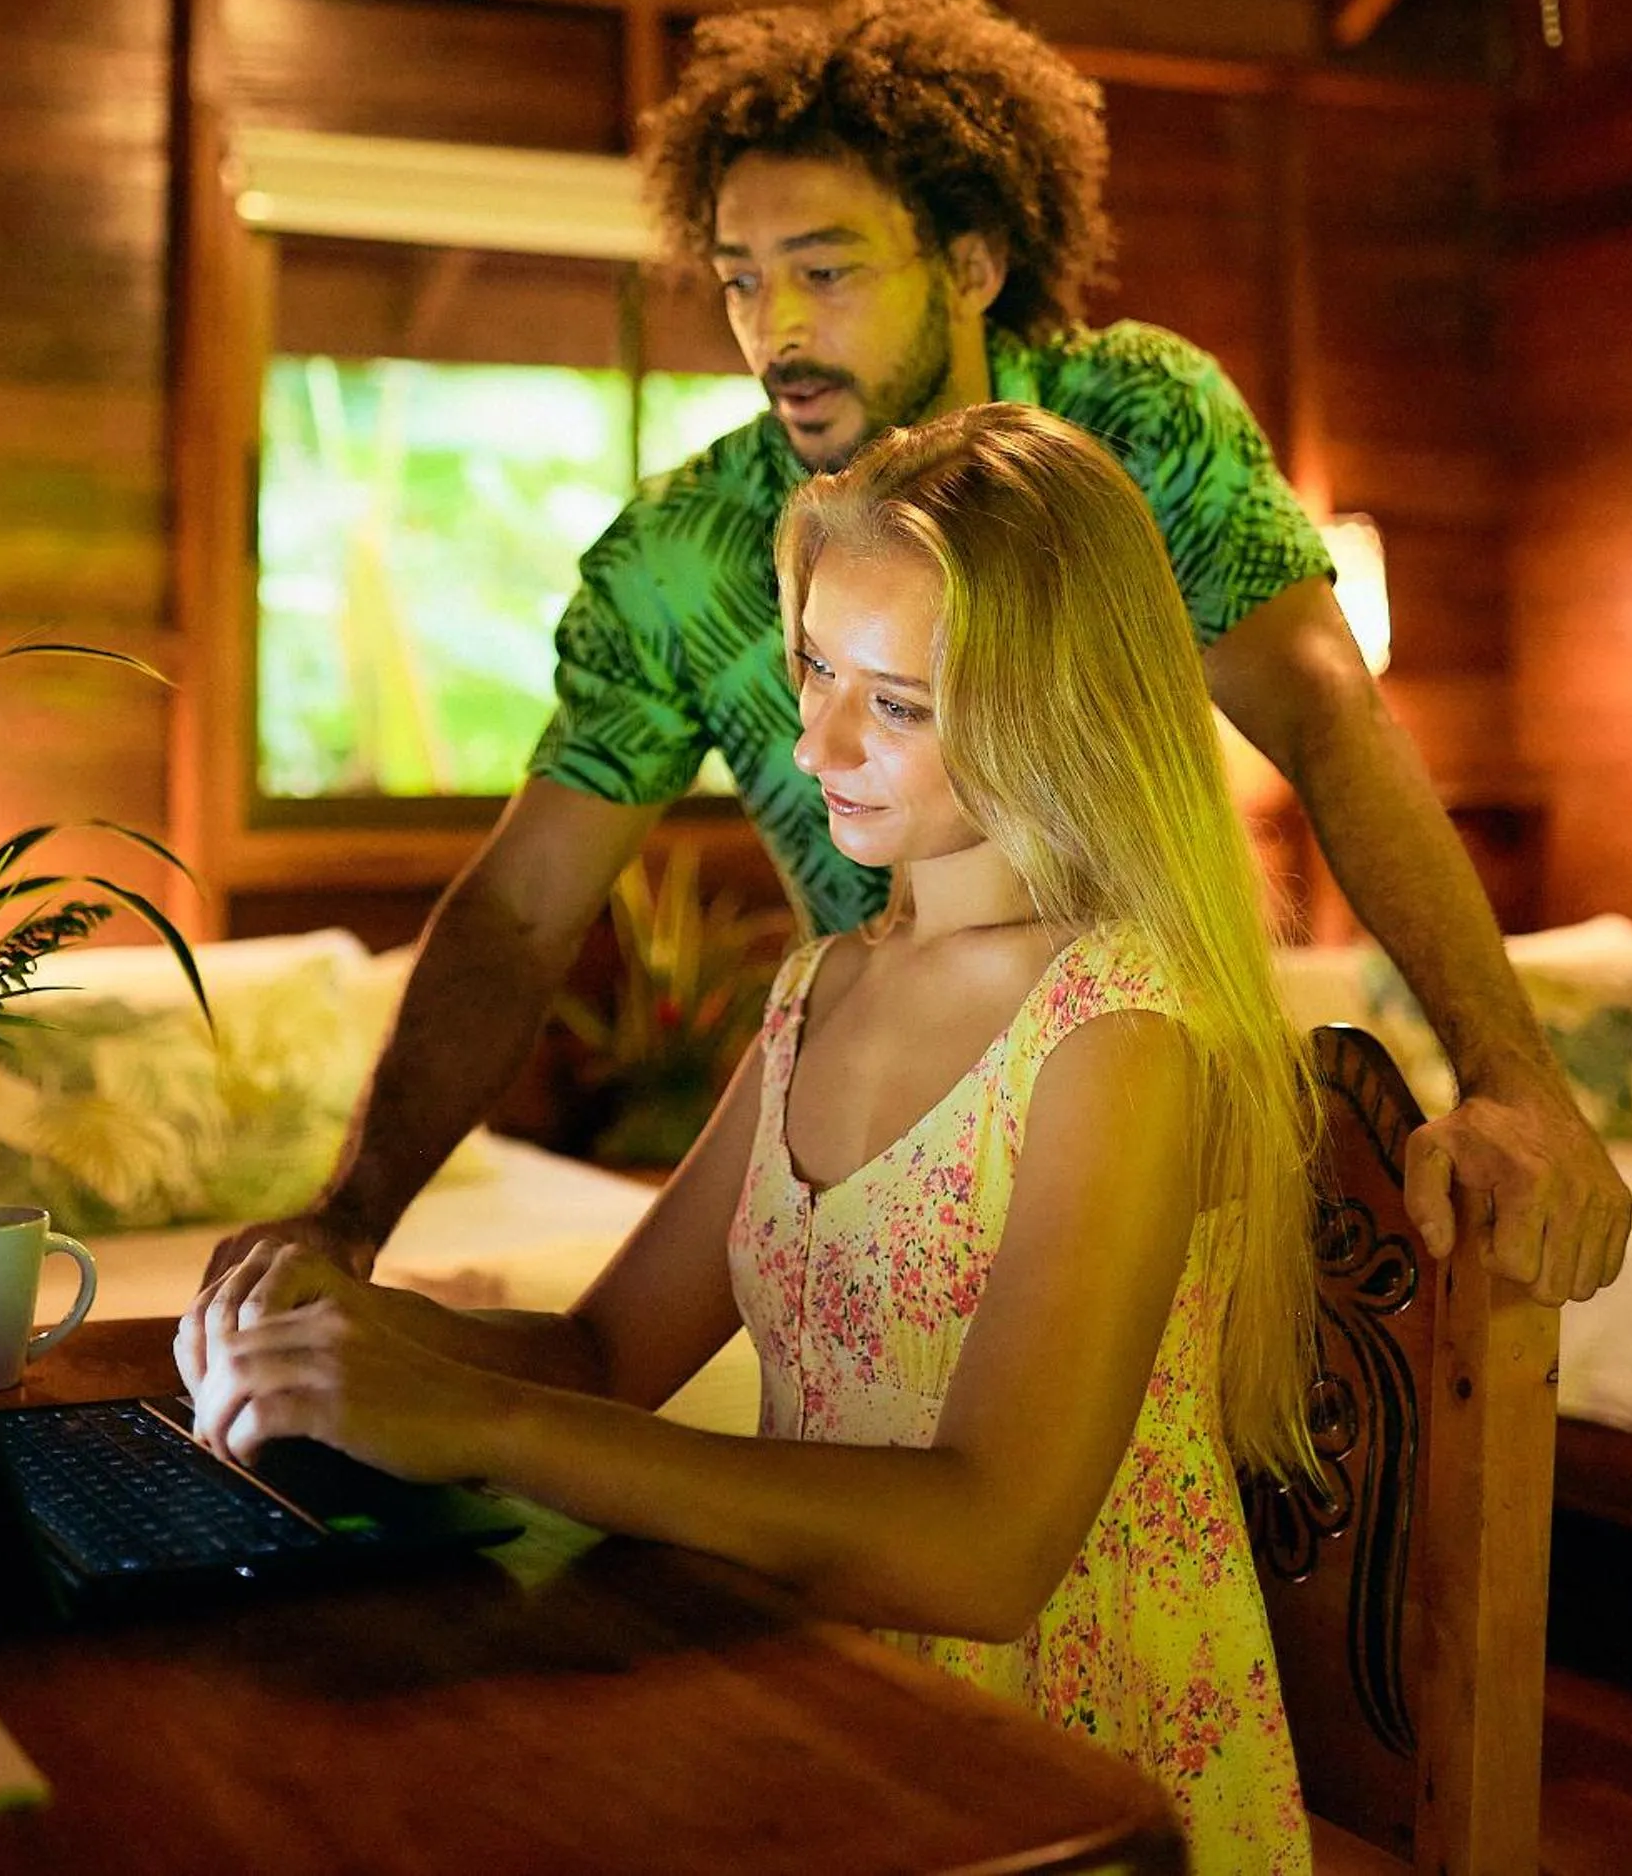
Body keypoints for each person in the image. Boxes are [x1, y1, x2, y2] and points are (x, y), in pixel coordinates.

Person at [204, 0, 1628, 1307]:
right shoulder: (680, 556)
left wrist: (1516, 1079)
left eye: (825, 272)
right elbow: (521, 910)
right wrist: (351, 1224)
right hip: (891, 1132)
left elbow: (1326, 713)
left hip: (1164, 1118)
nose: (775, 332)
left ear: (972, 262)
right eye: (742, 280)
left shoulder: (1134, 426)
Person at [186, 406, 1323, 1873]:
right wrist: (356, 1335)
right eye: (816, 668)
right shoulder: (819, 988)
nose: (813, 742)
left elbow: (987, 1550)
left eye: (897, 705)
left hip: (1076, 1774)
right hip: (844, 1706)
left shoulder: (1118, 1031)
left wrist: (487, 1427)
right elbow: (607, 1361)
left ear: (1063, 708)